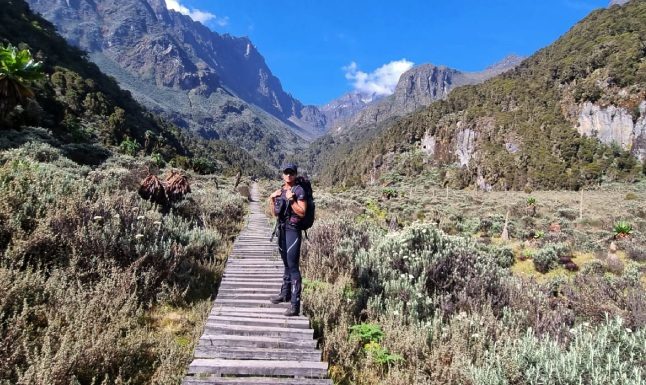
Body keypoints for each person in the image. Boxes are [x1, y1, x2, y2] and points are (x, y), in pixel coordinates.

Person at [268, 163, 307, 316]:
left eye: (291, 173)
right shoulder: (281, 190)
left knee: (293, 266)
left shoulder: (299, 190)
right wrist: (272, 199)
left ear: (295, 174)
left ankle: (295, 305)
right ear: (282, 175)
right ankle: (285, 294)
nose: (289, 175)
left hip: (293, 230)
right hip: (282, 229)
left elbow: (302, 212)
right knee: (286, 263)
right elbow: (275, 214)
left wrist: (292, 200)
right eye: (286, 173)